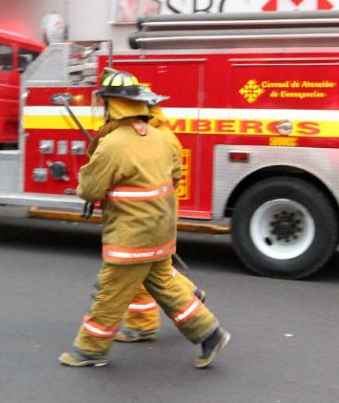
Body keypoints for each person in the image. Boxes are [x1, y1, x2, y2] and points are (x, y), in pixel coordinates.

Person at [59, 71, 230, 368]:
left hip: (130, 234)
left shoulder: (113, 144)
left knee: (111, 292)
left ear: (112, 105)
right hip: (162, 229)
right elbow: (175, 176)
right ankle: (209, 333)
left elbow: (89, 189)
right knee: (166, 284)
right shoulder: (162, 138)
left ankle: (91, 350)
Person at [114, 93, 207, 344]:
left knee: (138, 269)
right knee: (157, 267)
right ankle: (189, 293)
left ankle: (142, 326)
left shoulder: (153, 138)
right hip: (159, 211)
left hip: (149, 213)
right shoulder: (160, 134)